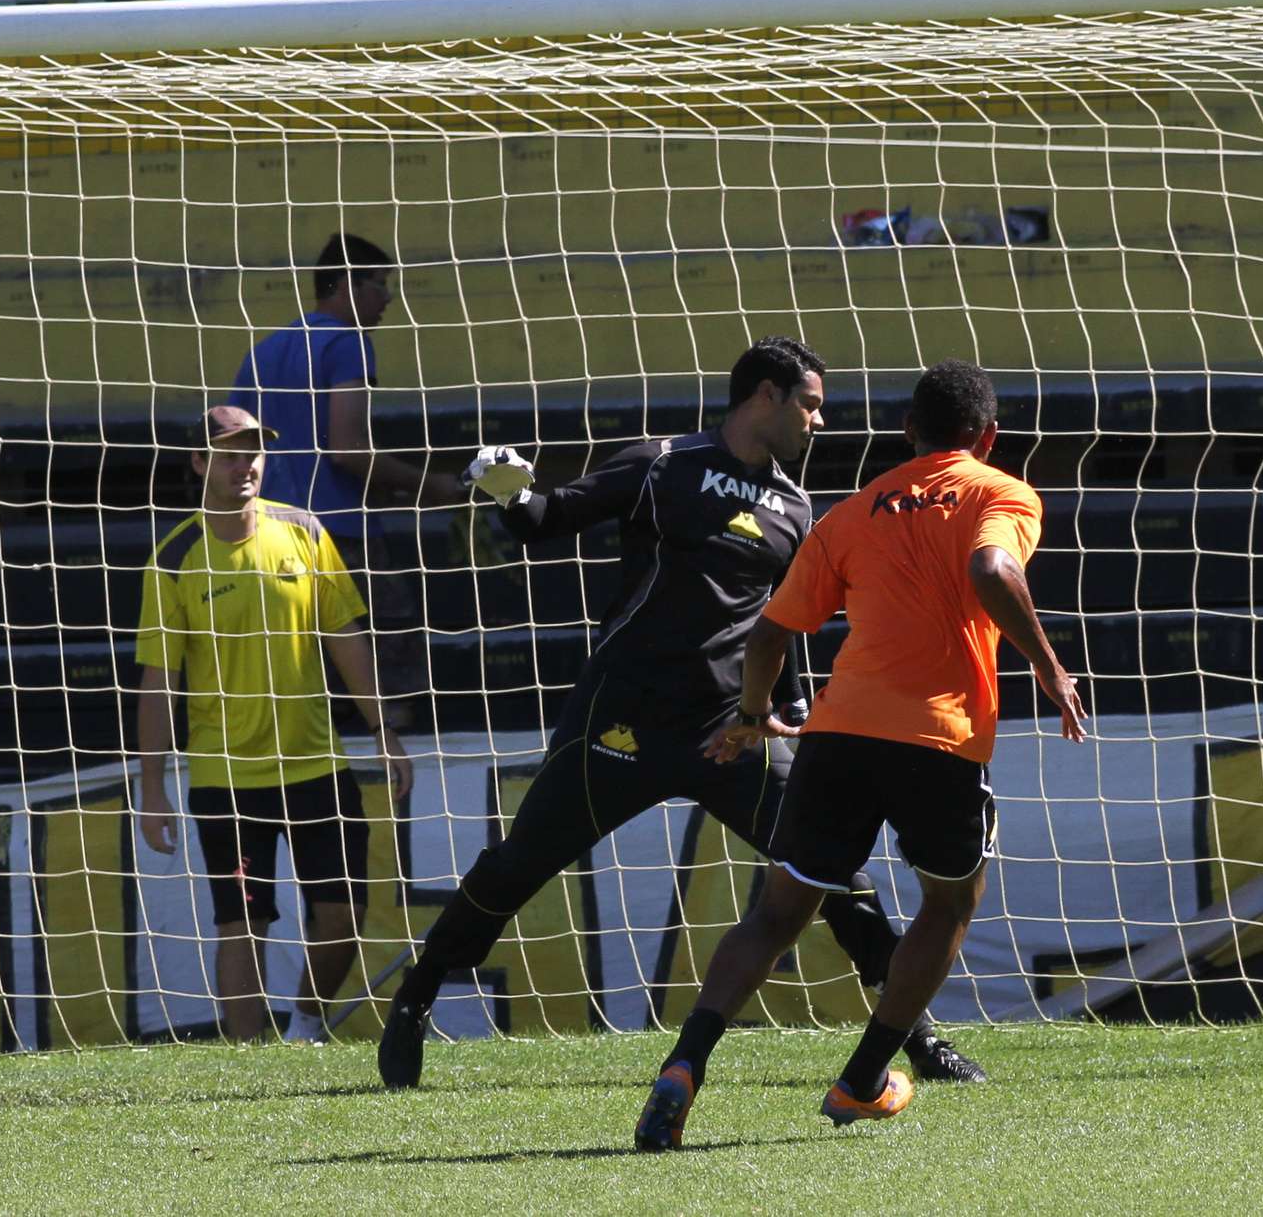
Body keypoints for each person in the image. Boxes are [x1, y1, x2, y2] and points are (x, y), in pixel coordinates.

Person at [376, 336, 987, 1089]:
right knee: (519, 861)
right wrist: (507, 489)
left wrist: (790, 710)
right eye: (810, 404)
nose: (818, 422)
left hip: (731, 732)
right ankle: (415, 998)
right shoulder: (661, 462)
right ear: (764, 395)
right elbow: (549, 517)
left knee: (834, 873)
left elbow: (784, 624)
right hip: (622, 718)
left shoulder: (797, 508)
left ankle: (916, 1039)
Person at [634, 359, 1089, 1152]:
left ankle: (683, 1064)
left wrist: (750, 714)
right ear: (986, 436)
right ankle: (865, 1078)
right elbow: (992, 566)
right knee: (947, 904)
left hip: (837, 736)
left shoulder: (848, 514)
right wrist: (1050, 668)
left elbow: (772, 632)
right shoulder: (1000, 491)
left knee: (776, 913)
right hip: (937, 740)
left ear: (907, 431)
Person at [135, 405, 417, 1042]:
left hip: (318, 763)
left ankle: (304, 1026)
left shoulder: (304, 531)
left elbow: (345, 634)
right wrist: (152, 789)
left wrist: (384, 731)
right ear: (201, 462)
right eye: (232, 452)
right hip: (226, 778)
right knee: (242, 923)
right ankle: (249, 1070)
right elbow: (159, 682)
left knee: (345, 918)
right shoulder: (174, 558)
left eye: (255, 451)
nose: (246, 464)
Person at [225, 233, 463, 729]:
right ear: (346, 285)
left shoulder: (261, 355)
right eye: (380, 284)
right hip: (340, 538)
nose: (388, 297)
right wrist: (429, 486)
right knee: (386, 664)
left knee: (300, 671)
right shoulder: (347, 343)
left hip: (267, 542)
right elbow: (348, 449)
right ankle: (394, 770)